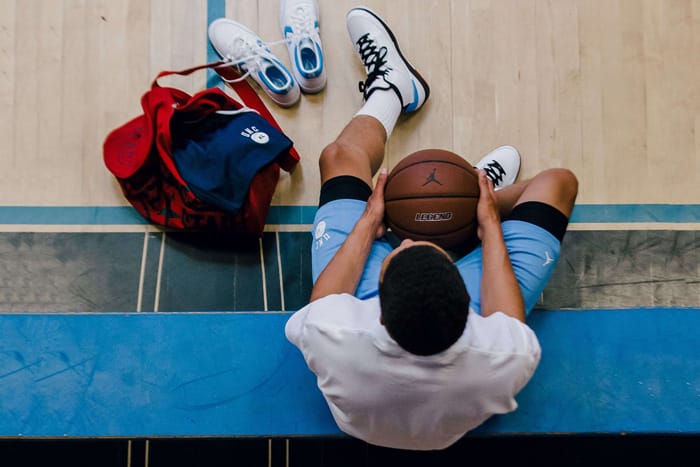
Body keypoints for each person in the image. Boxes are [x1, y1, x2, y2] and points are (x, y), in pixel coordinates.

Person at [285, 6, 578, 451]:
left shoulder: (335, 334)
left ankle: (391, 91)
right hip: (448, 402)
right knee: (558, 183)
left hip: (364, 396)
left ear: (377, 308)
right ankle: (467, 198)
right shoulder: (504, 353)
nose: (413, 243)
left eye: (401, 247)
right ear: (467, 298)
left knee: (339, 159)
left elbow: (326, 298)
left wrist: (371, 219)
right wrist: (487, 222)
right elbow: (506, 317)